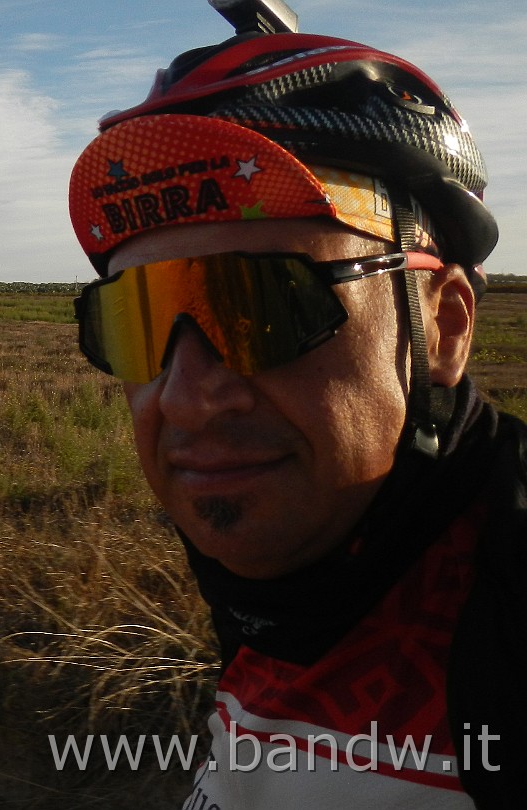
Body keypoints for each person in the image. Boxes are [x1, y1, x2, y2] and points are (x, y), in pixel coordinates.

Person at [66, 9, 523, 809]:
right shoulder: (300, 575)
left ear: (444, 327)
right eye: (135, 322)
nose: (185, 397)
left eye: (265, 309)